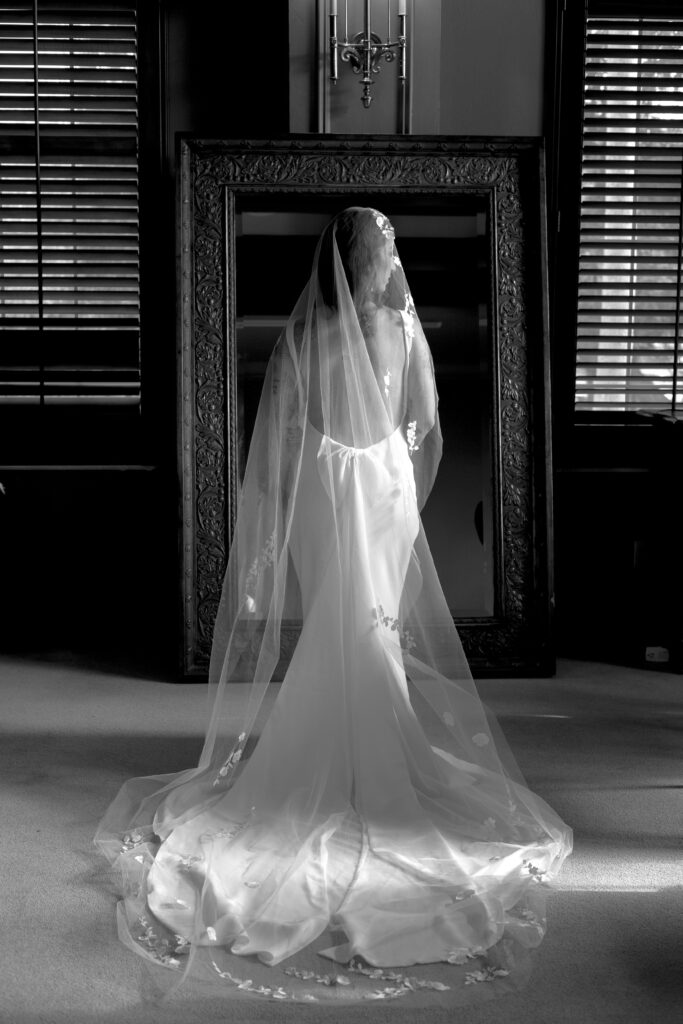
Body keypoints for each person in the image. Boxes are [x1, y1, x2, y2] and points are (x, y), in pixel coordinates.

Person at [96, 207, 572, 1005]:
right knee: (373, 621)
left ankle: (325, 742)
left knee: (334, 618)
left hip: (324, 487)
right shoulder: (402, 327)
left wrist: (302, 506)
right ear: (378, 264)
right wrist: (402, 481)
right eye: (388, 254)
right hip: (379, 486)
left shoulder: (308, 336)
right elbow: (426, 425)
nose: (392, 264)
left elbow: (279, 443)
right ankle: (373, 746)